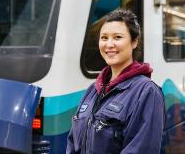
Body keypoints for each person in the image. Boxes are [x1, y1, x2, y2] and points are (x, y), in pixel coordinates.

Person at [66, 9, 165, 154]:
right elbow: (72, 141)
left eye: (117, 37)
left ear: (134, 42)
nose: (109, 44)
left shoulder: (147, 92)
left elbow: (140, 149)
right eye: (104, 38)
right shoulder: (93, 90)